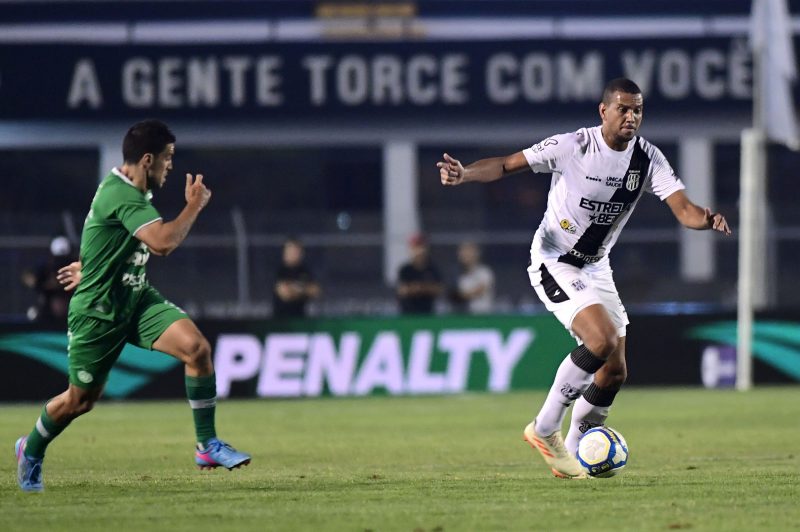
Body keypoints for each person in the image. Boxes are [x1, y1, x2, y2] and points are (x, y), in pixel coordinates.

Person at [437, 78, 730, 479]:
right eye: (624, 109)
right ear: (603, 111)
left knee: (615, 371)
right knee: (601, 339)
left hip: (596, 265)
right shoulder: (573, 146)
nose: (631, 117)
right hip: (554, 260)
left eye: (638, 110)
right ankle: (543, 428)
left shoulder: (647, 159)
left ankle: (575, 452)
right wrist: (465, 174)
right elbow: (507, 164)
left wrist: (705, 218)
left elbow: (682, 207)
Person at [15, 119, 250, 493]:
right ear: (146, 159)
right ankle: (31, 448)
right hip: (98, 314)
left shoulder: (134, 194)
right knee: (79, 401)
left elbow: (109, 236)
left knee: (197, 349)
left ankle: (207, 445)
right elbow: (162, 244)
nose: (170, 166)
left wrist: (92, 265)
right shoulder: (122, 194)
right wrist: (193, 207)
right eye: (167, 158)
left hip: (137, 299)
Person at [20, 236, 77, 324]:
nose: (61, 264)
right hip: (47, 317)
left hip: (73, 314)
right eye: (58, 259)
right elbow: (28, 277)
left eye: (65, 259)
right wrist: (41, 284)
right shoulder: (46, 268)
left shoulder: (76, 268)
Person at [396, 233, 444, 315]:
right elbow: (402, 290)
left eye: (421, 247)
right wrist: (423, 288)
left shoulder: (432, 269)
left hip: (428, 313)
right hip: (408, 313)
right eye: (415, 247)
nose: (419, 251)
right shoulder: (405, 270)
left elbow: (439, 289)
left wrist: (419, 288)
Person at [272, 237, 321, 318]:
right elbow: (285, 294)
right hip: (281, 320)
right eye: (291, 251)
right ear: (284, 253)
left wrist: (294, 290)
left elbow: (316, 291)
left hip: (300, 319)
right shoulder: (280, 271)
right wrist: (303, 290)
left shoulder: (304, 271)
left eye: (296, 251)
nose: (294, 254)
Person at [450, 241, 495, 314]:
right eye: (462, 253)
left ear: (476, 254)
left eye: (468, 252)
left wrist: (458, 295)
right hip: (466, 315)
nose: (465, 255)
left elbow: (480, 291)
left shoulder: (484, 272)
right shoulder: (460, 275)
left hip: (483, 316)